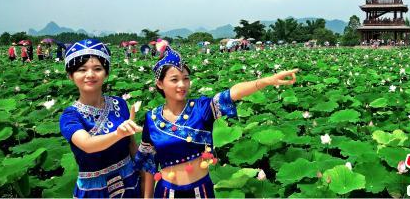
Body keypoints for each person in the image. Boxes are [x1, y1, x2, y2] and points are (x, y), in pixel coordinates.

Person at [134, 47, 298, 198]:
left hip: (201, 190)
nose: (182, 85)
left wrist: (265, 81)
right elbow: (149, 165)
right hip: (165, 192)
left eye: (186, 78)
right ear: (160, 84)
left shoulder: (202, 108)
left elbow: (232, 93)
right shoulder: (152, 119)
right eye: (174, 79)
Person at [59, 39, 142, 198]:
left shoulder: (120, 103)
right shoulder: (70, 116)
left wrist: (144, 174)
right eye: (82, 70)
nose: (90, 75)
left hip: (130, 180)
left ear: (106, 73)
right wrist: (118, 133)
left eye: (97, 69)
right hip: (95, 190)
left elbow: (131, 144)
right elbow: (88, 145)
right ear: (71, 75)